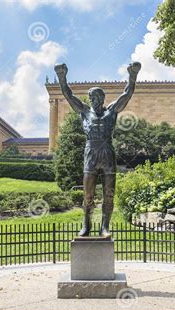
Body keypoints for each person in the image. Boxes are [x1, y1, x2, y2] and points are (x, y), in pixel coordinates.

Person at [54, 61, 141, 236]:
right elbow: (68, 95)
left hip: (108, 152)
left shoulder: (111, 111)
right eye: (92, 97)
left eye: (98, 97)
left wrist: (132, 75)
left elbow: (127, 94)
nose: (95, 100)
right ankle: (86, 225)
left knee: (109, 194)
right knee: (88, 195)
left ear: (103, 99)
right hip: (91, 153)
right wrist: (62, 77)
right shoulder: (84, 112)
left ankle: (105, 227)